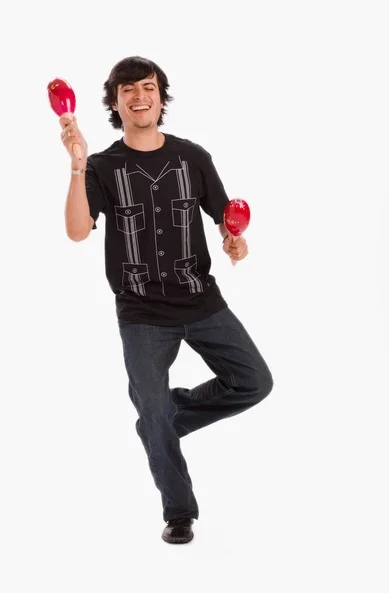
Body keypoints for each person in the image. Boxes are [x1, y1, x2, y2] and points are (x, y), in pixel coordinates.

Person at [60, 56, 274, 544]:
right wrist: (75, 165)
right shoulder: (101, 166)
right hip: (141, 313)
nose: (140, 96)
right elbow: (77, 231)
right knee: (153, 414)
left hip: (201, 301)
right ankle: (179, 512)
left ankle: (160, 419)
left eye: (148, 87)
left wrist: (233, 239)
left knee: (255, 382)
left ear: (161, 96)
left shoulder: (192, 156)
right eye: (128, 89)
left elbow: (225, 216)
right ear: (115, 102)